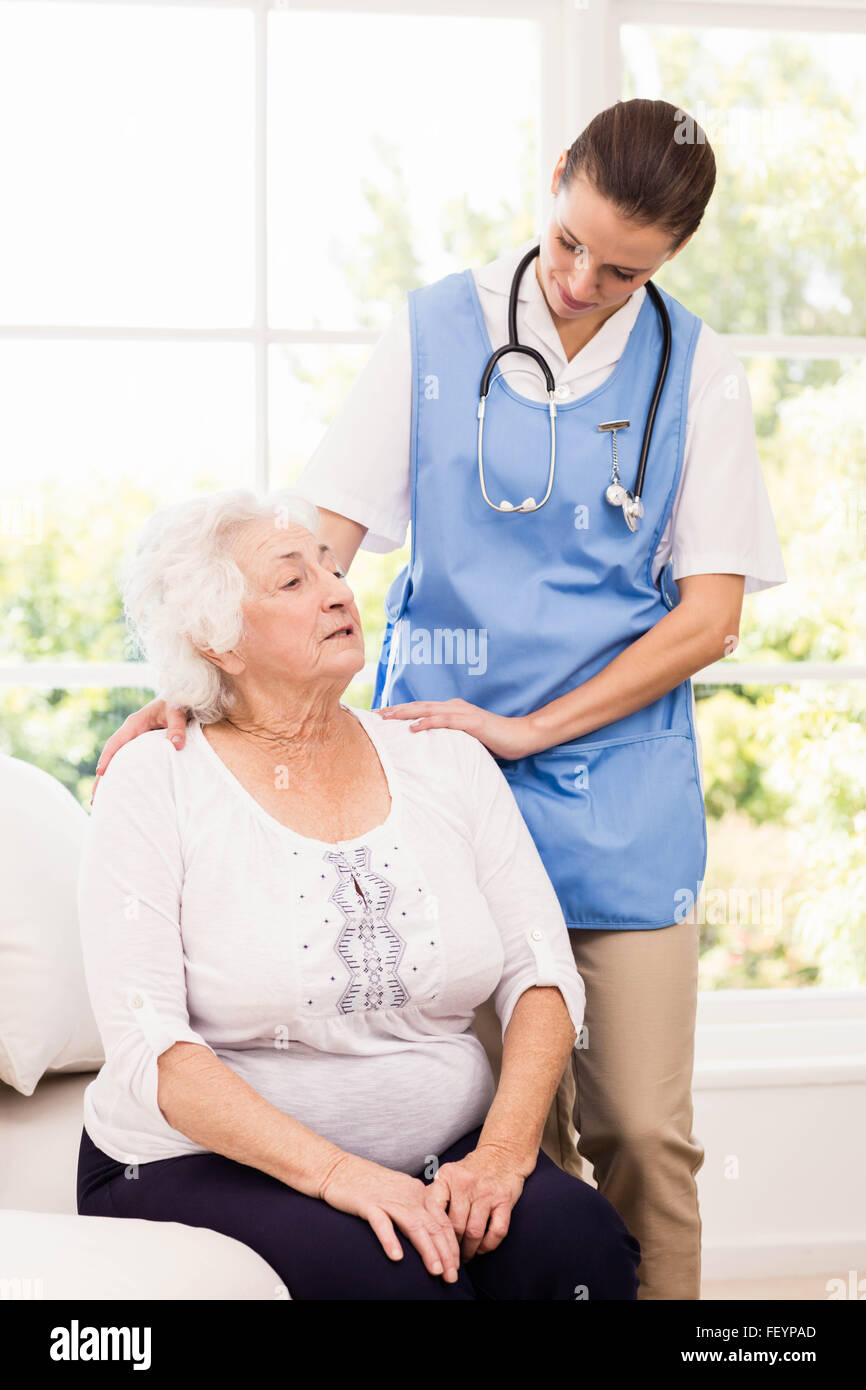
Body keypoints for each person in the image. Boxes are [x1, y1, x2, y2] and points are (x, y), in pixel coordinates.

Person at [92, 98, 787, 1299]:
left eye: (622, 271)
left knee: (638, 1134)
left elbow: (708, 615)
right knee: (496, 1143)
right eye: (567, 242)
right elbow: (311, 546)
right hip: (424, 776)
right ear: (553, 178)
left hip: (610, 791)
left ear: (671, 259)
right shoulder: (431, 334)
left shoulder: (699, 371)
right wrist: (204, 692)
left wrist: (523, 730)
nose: (578, 282)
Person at [76, 488, 641, 1301]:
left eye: (333, 569)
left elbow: (542, 970)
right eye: (292, 581)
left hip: (448, 1148)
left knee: (575, 1244)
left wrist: (502, 1155)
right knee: (404, 1282)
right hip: (196, 1164)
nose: (339, 590)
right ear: (217, 640)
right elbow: (149, 1049)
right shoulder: (154, 779)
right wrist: (342, 1175)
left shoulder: (443, 758)